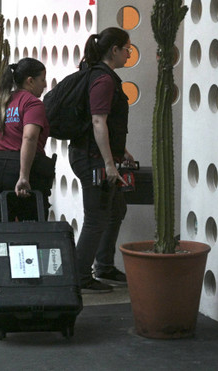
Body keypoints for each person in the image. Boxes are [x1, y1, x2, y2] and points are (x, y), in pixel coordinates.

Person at [0, 58, 56, 308]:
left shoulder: (1, 101)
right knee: (29, 229)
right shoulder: (32, 103)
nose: (45, 85)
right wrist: (23, 175)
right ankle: (28, 290)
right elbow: (30, 138)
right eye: (43, 79)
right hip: (20, 169)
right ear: (30, 80)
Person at [69, 27, 135, 294]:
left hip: (98, 155)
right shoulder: (104, 80)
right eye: (127, 48)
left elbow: (107, 124)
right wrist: (109, 163)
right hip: (92, 158)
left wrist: (122, 151)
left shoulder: (104, 76)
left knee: (116, 209)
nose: (130, 53)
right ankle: (80, 275)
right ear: (114, 50)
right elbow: (98, 121)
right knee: (96, 217)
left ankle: (104, 265)